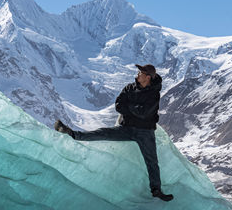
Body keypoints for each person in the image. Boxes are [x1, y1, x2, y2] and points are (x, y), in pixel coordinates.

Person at [55, 64, 174, 202]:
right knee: (103, 132)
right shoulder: (130, 88)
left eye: (140, 72)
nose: (137, 74)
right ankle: (74, 134)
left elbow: (144, 113)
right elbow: (118, 105)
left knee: (152, 161)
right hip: (127, 128)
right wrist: (134, 108)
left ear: (147, 77)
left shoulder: (154, 94)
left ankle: (156, 190)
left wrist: (129, 106)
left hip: (145, 132)